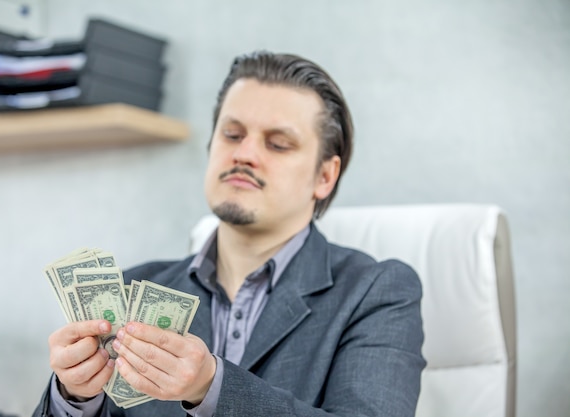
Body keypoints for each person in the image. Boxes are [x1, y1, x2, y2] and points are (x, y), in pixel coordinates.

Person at [34, 50, 426, 417]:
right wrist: (73, 397)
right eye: (232, 135)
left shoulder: (377, 293)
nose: (244, 154)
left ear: (324, 176)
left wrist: (212, 386)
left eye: (278, 143)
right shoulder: (133, 286)